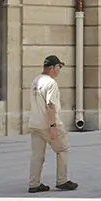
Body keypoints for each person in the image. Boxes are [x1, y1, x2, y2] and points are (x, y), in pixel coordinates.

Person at [28, 55, 77, 193]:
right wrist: (53, 127)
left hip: (35, 123)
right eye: (59, 67)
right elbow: (50, 105)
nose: (59, 70)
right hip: (48, 123)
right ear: (54, 67)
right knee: (62, 150)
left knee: (37, 155)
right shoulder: (51, 83)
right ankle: (62, 180)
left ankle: (34, 183)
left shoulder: (35, 81)